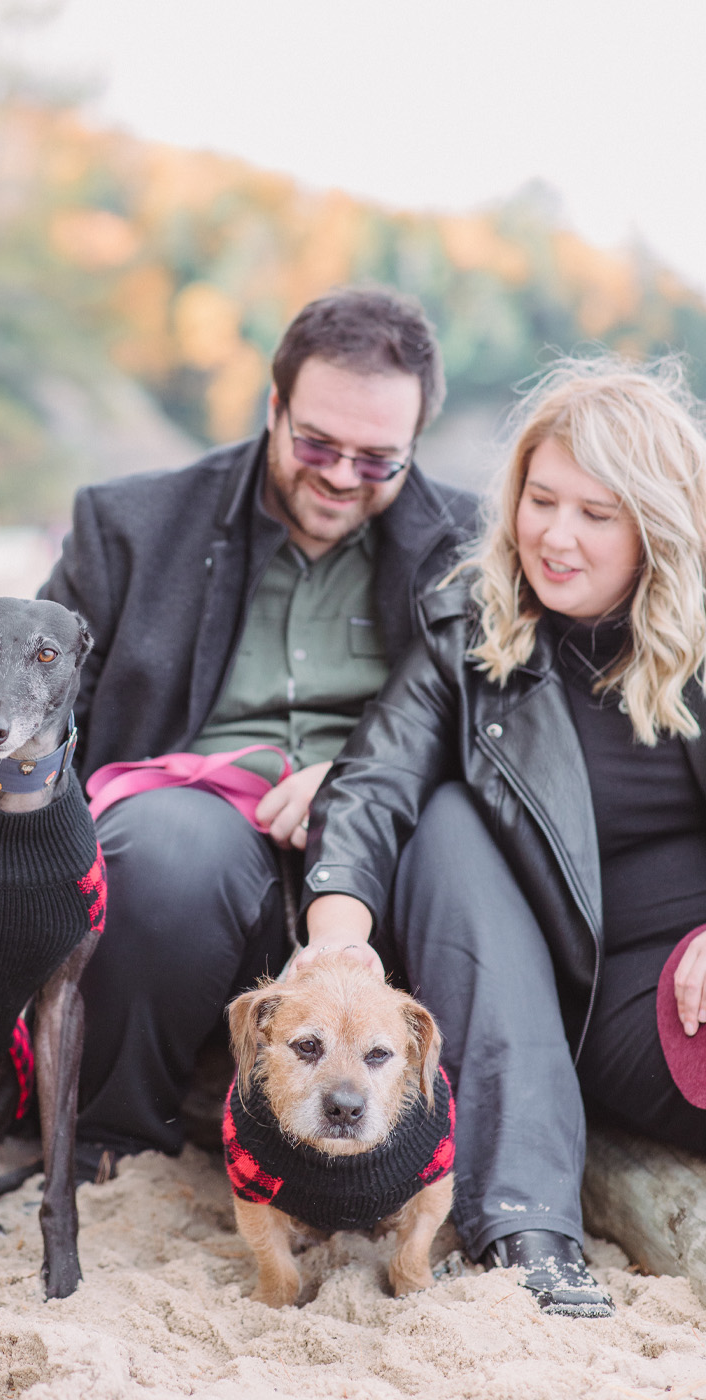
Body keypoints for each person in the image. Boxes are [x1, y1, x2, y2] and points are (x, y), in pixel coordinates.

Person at [38, 286, 477, 1175]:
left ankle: (446, 1153)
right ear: (274, 407)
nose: (342, 475)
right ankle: (117, 1137)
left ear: (416, 443)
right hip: (196, 814)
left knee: (463, 850)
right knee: (162, 851)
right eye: (317, 443)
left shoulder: (472, 547)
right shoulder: (131, 525)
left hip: (389, 830)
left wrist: (354, 777)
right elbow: (35, 706)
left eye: (378, 459)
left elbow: (506, 737)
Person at [302, 355, 706, 1316]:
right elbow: (374, 783)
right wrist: (337, 941)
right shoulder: (469, 627)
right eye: (541, 499)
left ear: (656, 525)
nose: (555, 537)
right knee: (445, 815)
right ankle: (527, 1228)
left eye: (596, 515)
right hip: (590, 991)